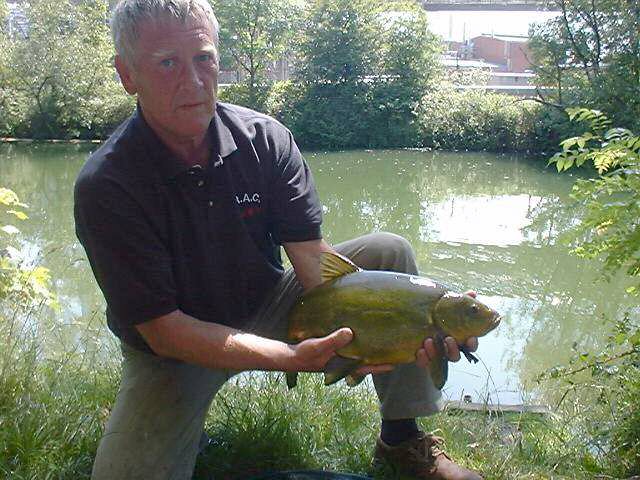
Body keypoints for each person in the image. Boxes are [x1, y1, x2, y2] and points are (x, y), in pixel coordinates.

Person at [73, 1, 483, 479]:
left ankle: (402, 443)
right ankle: (184, 425)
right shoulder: (108, 183)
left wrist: (428, 320)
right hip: (173, 346)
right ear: (128, 75)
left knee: (387, 252)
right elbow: (163, 330)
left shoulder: (265, 139)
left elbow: (311, 260)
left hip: (271, 305)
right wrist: (291, 359)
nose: (194, 80)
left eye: (204, 58)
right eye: (168, 63)